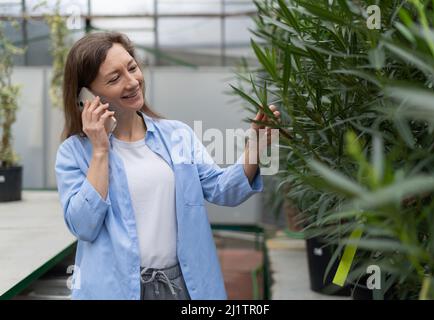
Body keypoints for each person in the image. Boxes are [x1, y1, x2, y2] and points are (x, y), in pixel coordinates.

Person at [55, 32, 280, 300]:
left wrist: (253, 148)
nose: (132, 82)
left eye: (132, 68)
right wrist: (101, 149)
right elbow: (83, 225)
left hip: (182, 287)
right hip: (115, 290)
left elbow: (223, 190)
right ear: (86, 96)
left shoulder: (178, 136)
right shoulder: (74, 153)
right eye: (114, 79)